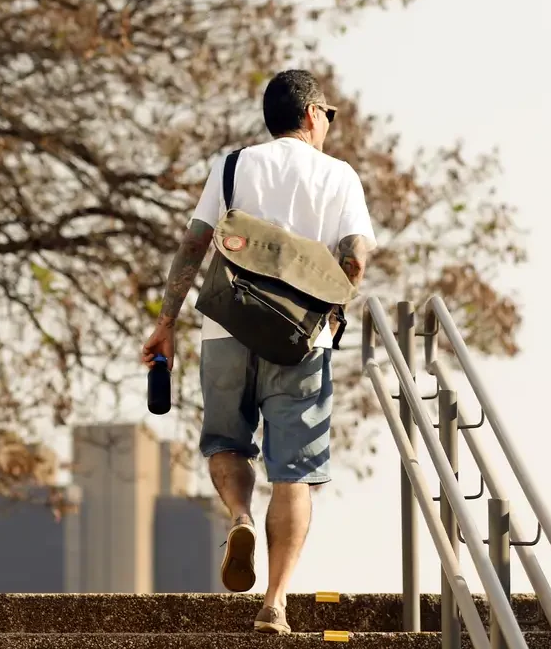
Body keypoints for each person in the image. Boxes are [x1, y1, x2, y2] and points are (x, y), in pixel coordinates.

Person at [140, 69, 376, 635]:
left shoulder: (233, 165)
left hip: (226, 329)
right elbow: (356, 257)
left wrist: (165, 323)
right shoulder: (339, 177)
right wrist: (333, 305)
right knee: (294, 473)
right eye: (330, 116)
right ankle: (275, 603)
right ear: (314, 114)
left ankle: (241, 518)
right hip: (301, 341)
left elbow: (194, 244)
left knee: (226, 443)